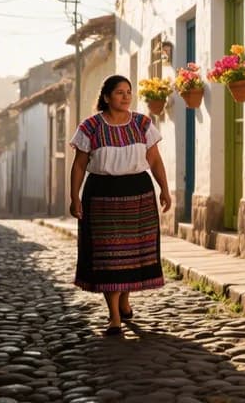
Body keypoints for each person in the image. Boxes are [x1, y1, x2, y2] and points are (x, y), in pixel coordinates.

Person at [69, 74, 171, 334]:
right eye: (119, 93)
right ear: (106, 97)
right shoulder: (90, 127)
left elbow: (155, 161)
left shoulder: (142, 124)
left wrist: (165, 189)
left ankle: (125, 299)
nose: (126, 97)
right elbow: (79, 164)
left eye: (128, 92)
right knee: (109, 257)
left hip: (138, 194)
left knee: (132, 255)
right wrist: (74, 197)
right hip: (102, 196)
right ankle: (114, 316)